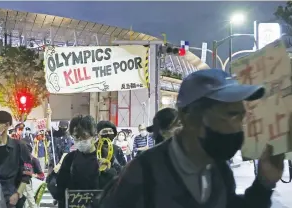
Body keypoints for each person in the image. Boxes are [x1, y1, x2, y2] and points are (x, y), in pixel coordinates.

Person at [98, 69, 285, 208]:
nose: (239, 127)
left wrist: (264, 184)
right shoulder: (144, 173)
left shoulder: (219, 170)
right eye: (230, 115)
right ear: (189, 117)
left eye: (241, 117)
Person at [54, 115, 117, 208]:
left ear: (94, 136)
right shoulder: (69, 159)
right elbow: (61, 190)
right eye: (76, 137)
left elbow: (116, 186)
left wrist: (108, 171)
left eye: (83, 136)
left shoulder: (107, 156)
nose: (79, 140)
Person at [0, 111, 32, 208]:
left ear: (7, 125)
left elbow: (27, 174)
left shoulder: (20, 146)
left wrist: (17, 194)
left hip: (11, 198)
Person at [23, 143, 45, 208]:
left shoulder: (34, 160)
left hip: (32, 188)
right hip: (22, 186)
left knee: (32, 204)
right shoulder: (20, 160)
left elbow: (42, 176)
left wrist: (31, 174)